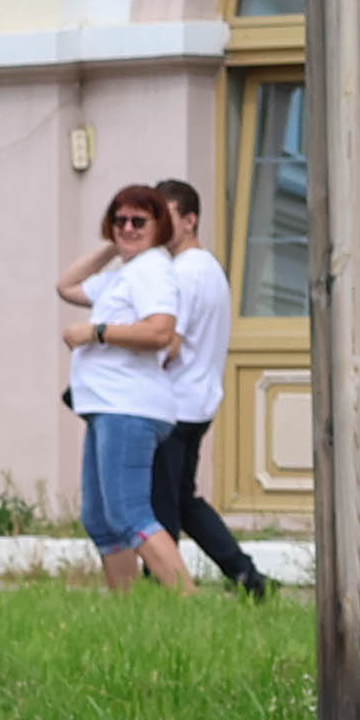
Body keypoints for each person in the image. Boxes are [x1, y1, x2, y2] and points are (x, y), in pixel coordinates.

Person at [122, 179, 274, 602]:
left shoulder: (181, 274)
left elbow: (168, 341)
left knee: (160, 507)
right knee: (184, 501)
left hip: (172, 405)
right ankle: (247, 578)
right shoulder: (209, 268)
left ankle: (164, 592)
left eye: (166, 219)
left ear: (190, 221)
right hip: (199, 402)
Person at [58, 184, 166, 590]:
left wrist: (96, 332)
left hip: (129, 406)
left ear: (160, 226)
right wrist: (112, 247)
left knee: (129, 515)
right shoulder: (127, 272)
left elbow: (160, 331)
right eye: (120, 220)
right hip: (106, 405)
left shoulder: (153, 270)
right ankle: (130, 612)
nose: (128, 227)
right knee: (102, 520)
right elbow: (66, 286)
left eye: (139, 221)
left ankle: (187, 600)